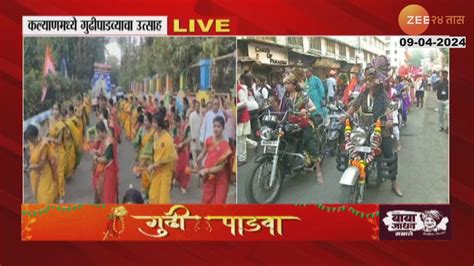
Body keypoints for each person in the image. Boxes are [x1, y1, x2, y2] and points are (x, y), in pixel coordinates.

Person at [343, 57, 402, 197]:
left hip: (380, 129)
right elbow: (353, 106)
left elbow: (389, 108)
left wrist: (388, 120)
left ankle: (394, 183)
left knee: (389, 154)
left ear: (376, 81)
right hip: (362, 129)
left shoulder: (383, 95)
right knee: (349, 149)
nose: (367, 82)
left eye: (370, 79)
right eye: (366, 79)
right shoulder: (362, 95)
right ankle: (357, 174)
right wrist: (345, 116)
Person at [284, 74, 325, 184]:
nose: (286, 86)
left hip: (305, 122)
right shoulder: (285, 95)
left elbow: (313, 107)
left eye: (288, 83)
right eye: (285, 84)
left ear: (294, 84)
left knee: (310, 145)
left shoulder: (303, 95)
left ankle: (319, 173)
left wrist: (306, 111)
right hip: (291, 123)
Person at [194, 116, 232, 204]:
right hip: (209, 177)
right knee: (206, 201)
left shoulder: (226, 146)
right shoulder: (209, 140)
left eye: (218, 126)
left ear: (223, 128)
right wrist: (196, 161)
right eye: (214, 126)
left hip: (221, 179)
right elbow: (203, 152)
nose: (216, 128)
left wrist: (206, 170)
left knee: (219, 203)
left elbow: (221, 166)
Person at [147, 114, 178, 204]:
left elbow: (167, 159)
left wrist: (153, 166)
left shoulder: (168, 139)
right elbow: (156, 152)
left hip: (165, 171)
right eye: (152, 122)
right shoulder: (156, 134)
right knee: (153, 194)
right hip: (157, 170)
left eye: (154, 122)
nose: (152, 124)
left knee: (163, 198)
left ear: (160, 125)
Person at [25, 125, 58, 204]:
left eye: (32, 139)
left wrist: (29, 167)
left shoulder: (43, 145)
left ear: (36, 136)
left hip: (45, 173)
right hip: (35, 174)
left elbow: (40, 165)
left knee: (45, 198)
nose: (31, 142)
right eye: (29, 140)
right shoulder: (31, 144)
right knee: (38, 195)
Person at [91, 121, 118, 203]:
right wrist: (96, 152)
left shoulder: (109, 142)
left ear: (103, 131)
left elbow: (106, 159)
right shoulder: (104, 139)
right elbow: (102, 151)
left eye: (99, 132)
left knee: (108, 195)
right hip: (104, 171)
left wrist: (96, 159)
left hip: (108, 171)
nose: (98, 135)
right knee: (102, 192)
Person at [132, 112, 155, 198]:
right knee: (144, 175)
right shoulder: (141, 129)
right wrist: (137, 149)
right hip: (142, 154)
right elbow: (137, 141)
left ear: (150, 122)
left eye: (146, 120)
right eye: (144, 120)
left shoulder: (153, 132)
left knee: (150, 175)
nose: (144, 122)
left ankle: (151, 192)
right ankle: (145, 191)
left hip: (150, 157)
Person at [47, 103, 66, 203]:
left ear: (59, 111)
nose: (55, 111)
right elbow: (48, 133)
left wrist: (49, 139)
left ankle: (61, 195)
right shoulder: (49, 120)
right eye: (53, 109)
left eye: (56, 109)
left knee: (60, 173)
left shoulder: (61, 124)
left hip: (59, 151)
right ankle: (55, 193)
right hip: (51, 150)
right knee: (53, 172)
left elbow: (59, 141)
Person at [173, 114, 192, 194]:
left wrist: (182, 143)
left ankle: (183, 185)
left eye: (176, 123)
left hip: (184, 150)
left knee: (184, 168)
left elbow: (190, 138)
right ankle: (176, 178)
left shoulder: (187, 127)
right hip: (177, 149)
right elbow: (173, 138)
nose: (175, 125)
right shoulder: (175, 129)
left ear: (180, 121)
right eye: (174, 123)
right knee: (176, 166)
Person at [236, 72, 252, 165]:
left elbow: (244, 102)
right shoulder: (237, 89)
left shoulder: (240, 90)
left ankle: (242, 158)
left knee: (241, 139)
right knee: (240, 139)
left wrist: (235, 106)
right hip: (239, 117)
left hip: (242, 117)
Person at [189, 100, 203, 170]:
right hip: (194, 136)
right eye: (196, 106)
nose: (197, 107)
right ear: (194, 107)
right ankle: (195, 168)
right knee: (194, 153)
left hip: (200, 137)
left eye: (198, 106)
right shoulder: (192, 115)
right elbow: (191, 126)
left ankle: (199, 168)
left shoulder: (201, 115)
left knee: (199, 153)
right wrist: (193, 136)